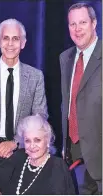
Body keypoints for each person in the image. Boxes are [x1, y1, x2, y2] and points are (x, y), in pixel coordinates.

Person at [0, 18, 48, 169]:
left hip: (24, 154)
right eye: (5, 38)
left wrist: (15, 143)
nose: (10, 44)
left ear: (23, 43)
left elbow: (40, 115)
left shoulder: (35, 76)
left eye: (15, 39)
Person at [60, 3, 102, 194]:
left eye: (83, 22)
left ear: (94, 23)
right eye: (72, 24)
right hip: (73, 155)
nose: (77, 29)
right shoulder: (65, 58)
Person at [0, 115, 75, 195]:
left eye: (37, 140)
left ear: (47, 140)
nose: (32, 146)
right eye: (27, 141)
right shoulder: (19, 157)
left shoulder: (57, 166)